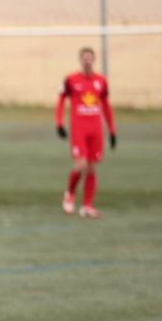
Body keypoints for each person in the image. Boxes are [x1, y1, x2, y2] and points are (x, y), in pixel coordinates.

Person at [55, 47, 116, 219]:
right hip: (79, 128)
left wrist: (112, 130)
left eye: (90, 58)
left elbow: (106, 105)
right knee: (81, 165)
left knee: (91, 168)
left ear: (94, 60)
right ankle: (70, 193)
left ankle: (87, 206)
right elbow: (60, 101)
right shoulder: (71, 79)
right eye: (85, 58)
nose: (87, 61)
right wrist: (59, 123)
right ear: (80, 60)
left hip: (96, 128)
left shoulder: (101, 81)